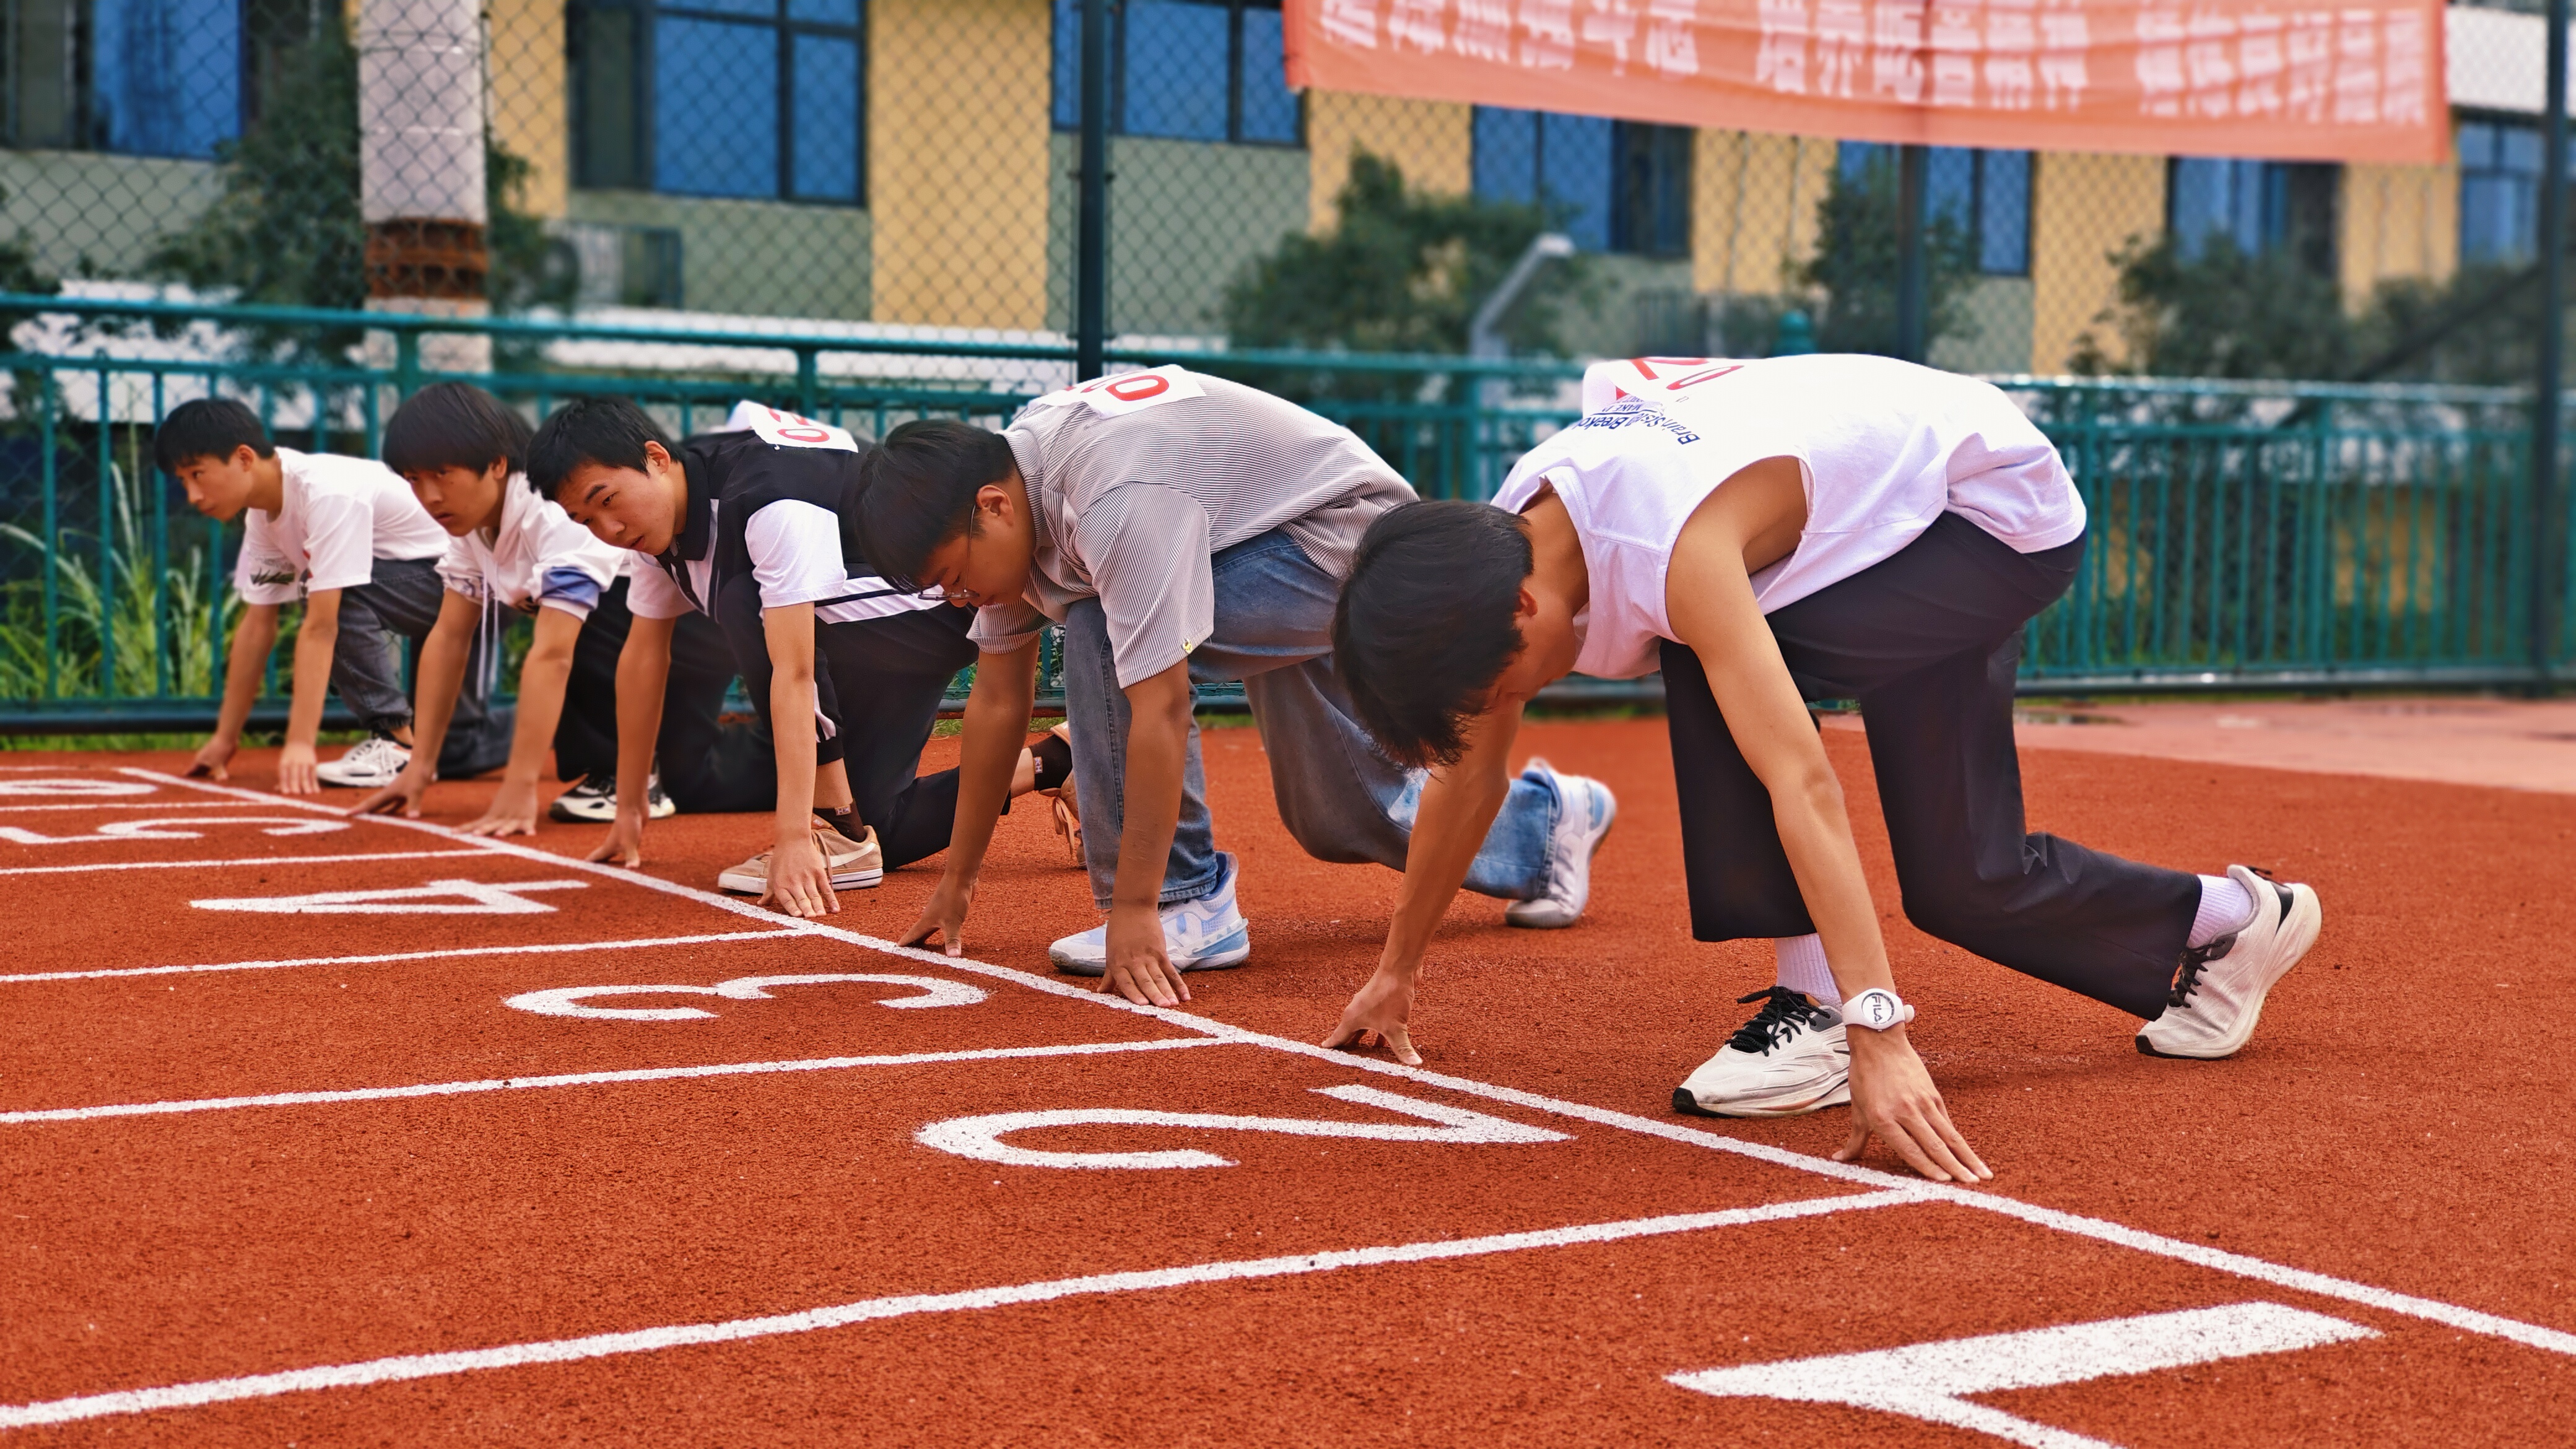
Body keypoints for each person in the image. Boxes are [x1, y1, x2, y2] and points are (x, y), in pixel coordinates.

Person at [1325, 354, 2323, 1183]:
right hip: (1890, 503)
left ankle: (1817, 1014)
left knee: (1714, 655)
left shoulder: (1669, 550)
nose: (1501, 707)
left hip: (1987, 517)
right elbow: (1470, 775)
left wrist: (1874, 1026)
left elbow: (1801, 779)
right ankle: (2230, 924)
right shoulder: (1503, 548)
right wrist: (1396, 971)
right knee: (1963, 884)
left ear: (1522, 612)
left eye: (1493, 691)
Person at [850, 365, 1616, 1009]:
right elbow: (995, 700)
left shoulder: (1110, 499)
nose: (958, 599)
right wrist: (958, 882)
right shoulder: (1015, 496)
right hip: (1248, 538)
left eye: (953, 578)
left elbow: (1159, 704)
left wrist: (1137, 907)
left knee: (1100, 630)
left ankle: (1188, 901)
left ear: (992, 508)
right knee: (1334, 814)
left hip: (1339, 544)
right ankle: (1546, 827)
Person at [527, 396, 1073, 916]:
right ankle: (1057, 759)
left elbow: (794, 670)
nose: (609, 529)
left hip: (948, 589)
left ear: (656, 459)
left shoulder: (766, 499)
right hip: (872, 619)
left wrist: (794, 835)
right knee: (883, 829)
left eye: (607, 500)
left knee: (748, 599)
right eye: (585, 521)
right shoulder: (656, 529)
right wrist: (629, 806)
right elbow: (643, 659)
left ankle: (835, 827)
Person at [349, 381, 774, 832]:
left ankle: (621, 772)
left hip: (686, 623)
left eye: (442, 474)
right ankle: (777, 755)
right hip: (648, 633)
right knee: (691, 780)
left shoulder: (555, 507)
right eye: (414, 479)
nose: (430, 496)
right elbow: (450, 637)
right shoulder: (471, 528)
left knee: (575, 615)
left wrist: (520, 788)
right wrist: (419, 767)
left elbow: (554, 655)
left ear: (495, 464)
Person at [159, 397, 509, 793]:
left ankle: (395, 742)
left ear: (243, 458)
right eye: (183, 481)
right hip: (435, 590)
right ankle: (557, 712)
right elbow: (258, 626)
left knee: (331, 593)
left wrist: (299, 743)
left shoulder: (325, 494)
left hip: (479, 587)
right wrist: (225, 739)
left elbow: (322, 626)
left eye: (197, 474)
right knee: (455, 750)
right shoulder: (264, 517)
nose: (192, 495)